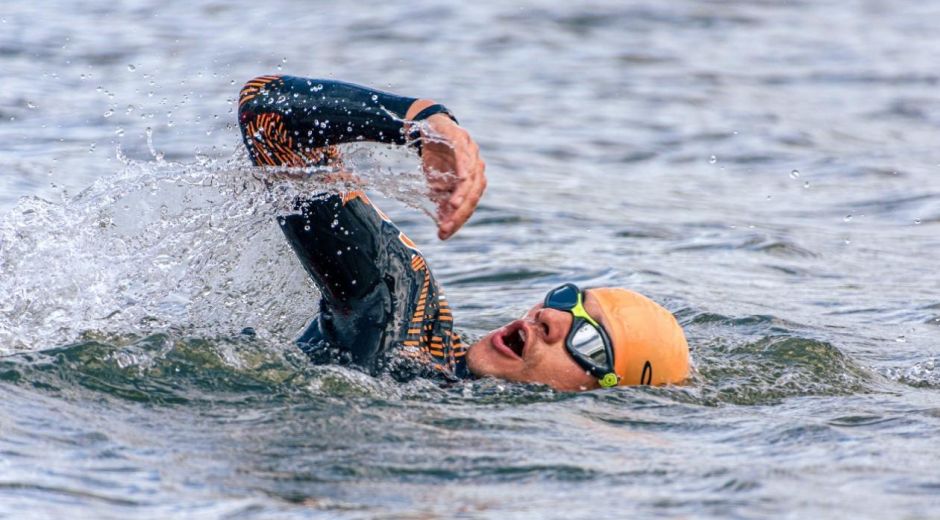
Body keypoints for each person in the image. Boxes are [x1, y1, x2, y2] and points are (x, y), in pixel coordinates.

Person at [238, 75, 690, 391]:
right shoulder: (401, 313)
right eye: (565, 299)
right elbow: (266, 114)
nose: (549, 318)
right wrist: (423, 124)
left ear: (607, 394)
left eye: (588, 341)